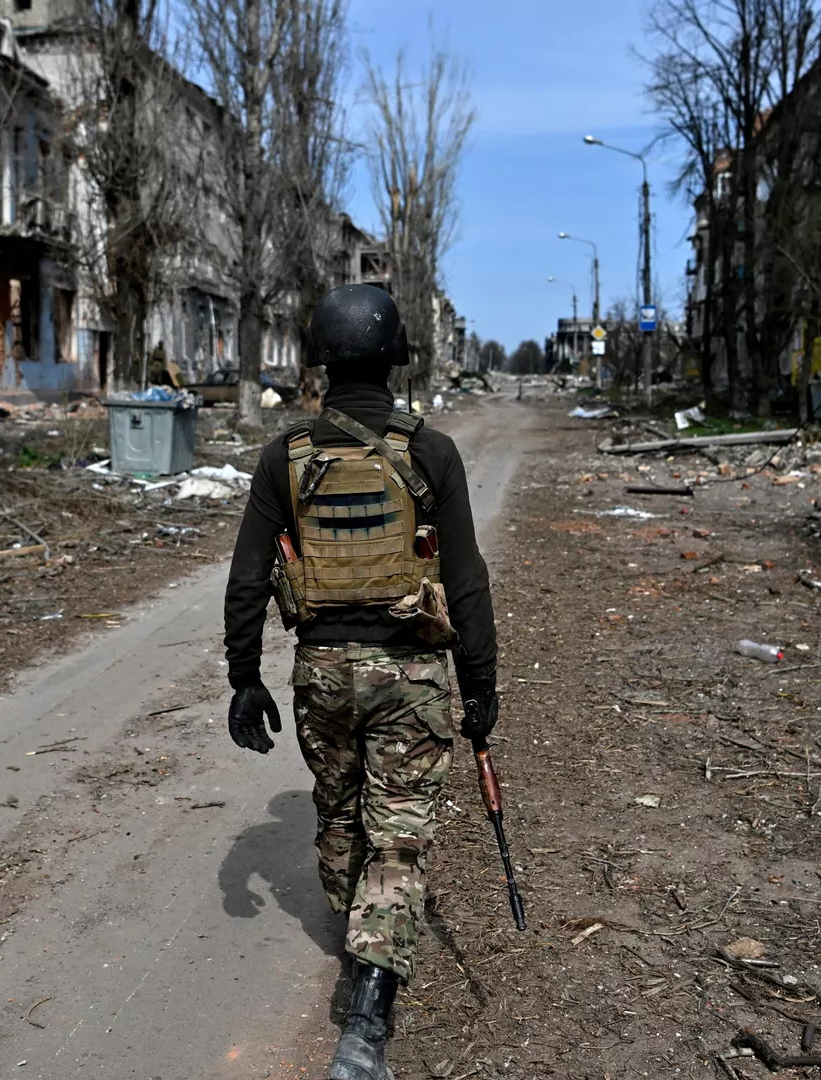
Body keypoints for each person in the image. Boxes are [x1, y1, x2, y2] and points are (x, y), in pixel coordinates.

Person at [222, 284, 499, 1080]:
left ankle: (358, 940)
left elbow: (248, 579)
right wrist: (480, 683)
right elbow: (466, 580)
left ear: (320, 361)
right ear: (396, 357)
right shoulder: (431, 452)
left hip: (322, 675)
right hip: (411, 676)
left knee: (341, 815)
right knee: (398, 835)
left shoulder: (285, 457)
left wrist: (245, 676)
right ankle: (368, 1020)